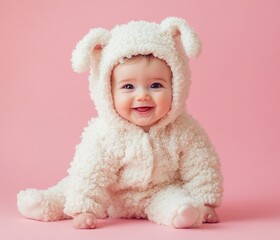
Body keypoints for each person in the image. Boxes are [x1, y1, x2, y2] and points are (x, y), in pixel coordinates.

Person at [17, 17, 223, 229]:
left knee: (175, 201)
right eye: (128, 87)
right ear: (107, 92)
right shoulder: (105, 133)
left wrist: (205, 200)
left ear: (176, 85)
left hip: (159, 192)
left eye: (155, 85)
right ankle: (49, 203)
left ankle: (184, 212)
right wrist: (85, 208)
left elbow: (201, 164)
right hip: (109, 196)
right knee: (72, 188)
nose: (142, 96)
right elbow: (91, 171)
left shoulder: (184, 129)